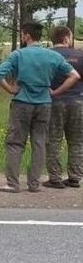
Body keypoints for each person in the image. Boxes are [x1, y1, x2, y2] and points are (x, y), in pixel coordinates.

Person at [0, 21, 81, 193]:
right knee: (39, 142)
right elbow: (74, 75)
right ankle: (34, 184)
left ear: (26, 36)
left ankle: (12, 183)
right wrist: (55, 92)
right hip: (44, 102)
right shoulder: (53, 56)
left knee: (15, 143)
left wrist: (11, 89)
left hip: (22, 102)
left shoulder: (19, 54)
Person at [44, 25, 83, 189]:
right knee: (77, 141)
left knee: (53, 140)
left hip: (54, 102)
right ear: (67, 37)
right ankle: (75, 176)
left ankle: (55, 177)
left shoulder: (47, 56)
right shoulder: (80, 55)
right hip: (78, 101)